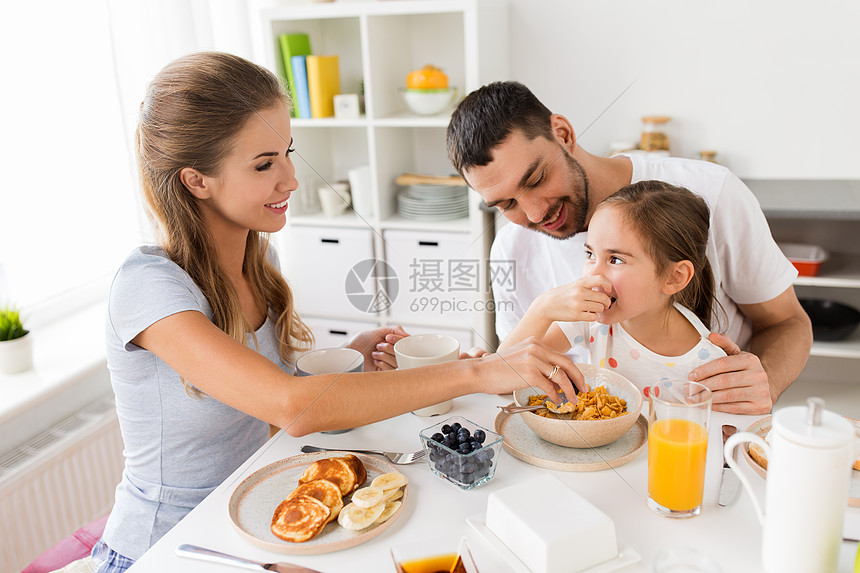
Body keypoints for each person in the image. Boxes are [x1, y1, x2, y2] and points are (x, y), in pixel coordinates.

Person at [90, 53, 578, 572]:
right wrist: (478, 372)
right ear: (196, 181)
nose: (290, 180)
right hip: (174, 546)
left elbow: (260, 398)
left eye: (286, 152)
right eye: (263, 164)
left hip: (258, 517)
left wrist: (346, 360)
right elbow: (293, 408)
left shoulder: (260, 262)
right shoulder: (149, 287)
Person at [446, 81, 812, 415]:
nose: (536, 212)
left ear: (563, 134)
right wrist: (486, 368)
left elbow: (788, 323)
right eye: (507, 205)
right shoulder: (511, 246)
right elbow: (517, 368)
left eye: (537, 179)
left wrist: (765, 381)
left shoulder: (712, 193)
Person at [498, 180, 728, 392]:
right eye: (590, 254)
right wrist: (542, 309)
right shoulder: (588, 321)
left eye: (616, 260)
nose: (593, 274)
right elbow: (502, 376)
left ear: (674, 277)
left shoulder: (708, 363)